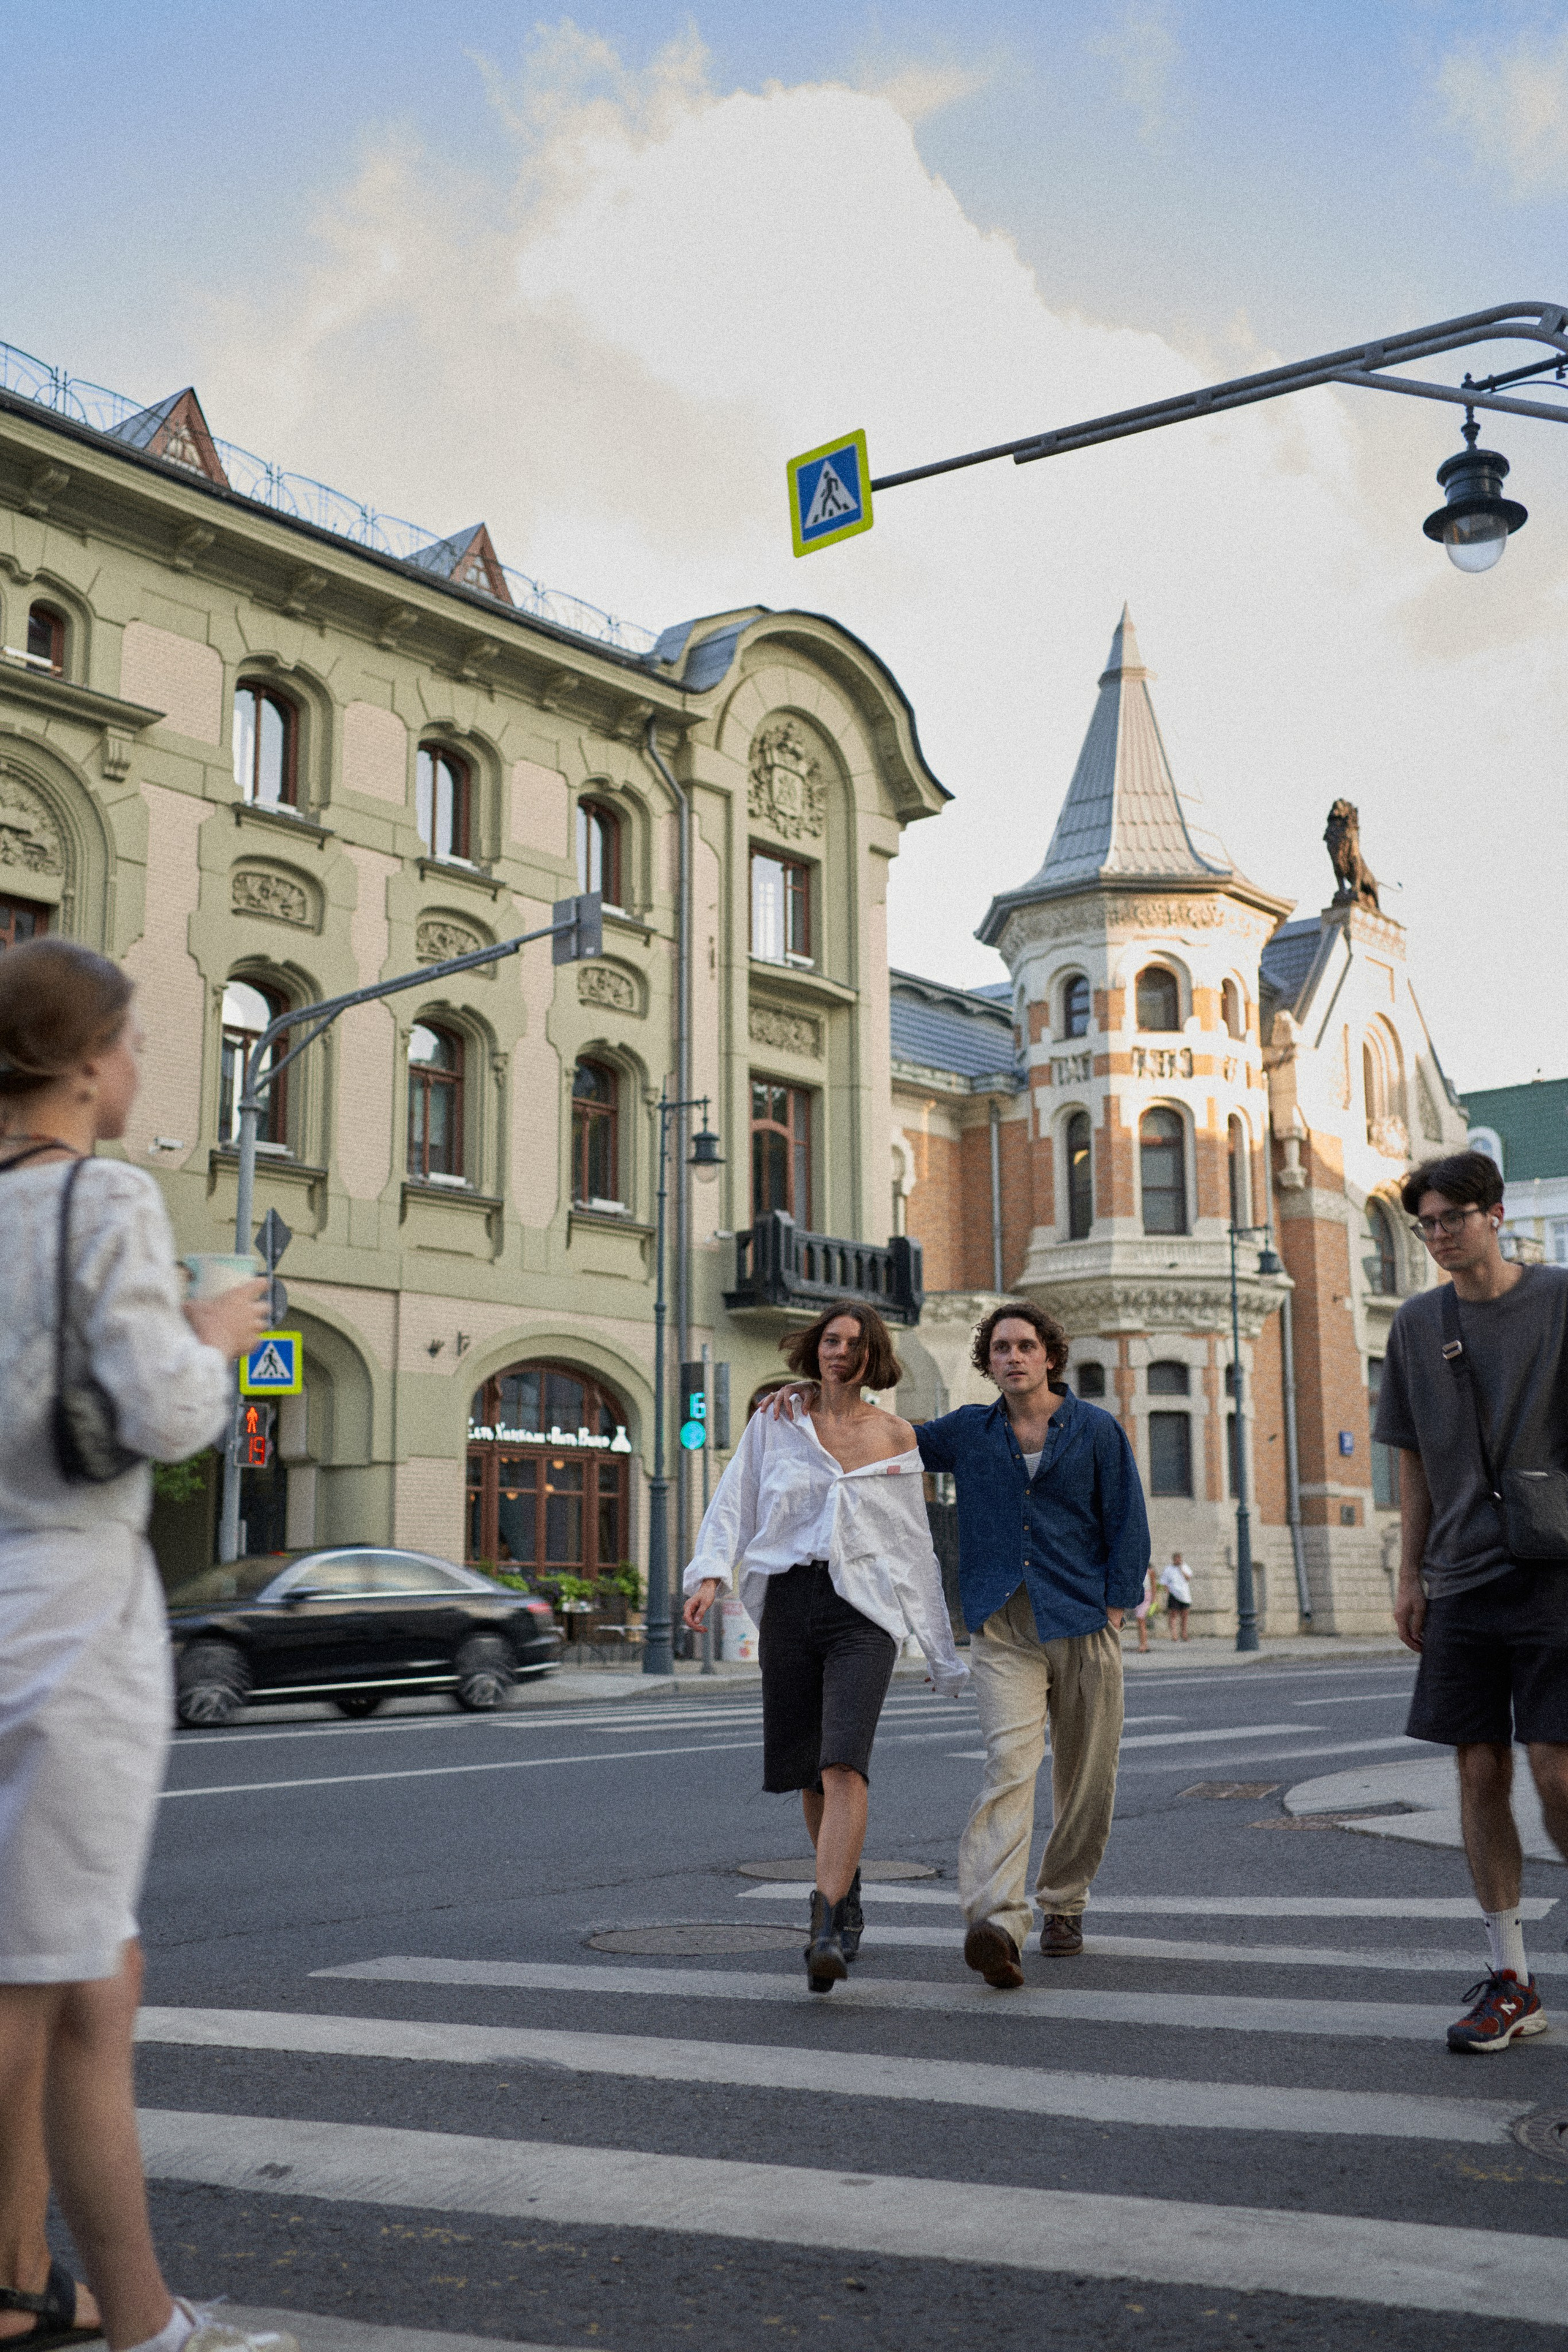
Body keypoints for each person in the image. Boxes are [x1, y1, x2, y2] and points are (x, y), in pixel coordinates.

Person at [0, 939, 288, 2352]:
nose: (138, 1066)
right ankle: (145, 2327)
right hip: (69, 1619)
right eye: (128, 1040)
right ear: (80, 1062)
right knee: (45, 1986)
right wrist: (212, 1334)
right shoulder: (105, 1195)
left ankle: (133, 2313)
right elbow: (167, 1414)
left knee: (84, 1976)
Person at [766, 1299, 1150, 1989]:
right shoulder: (969, 1432)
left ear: (1048, 1356)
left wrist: (1117, 1606)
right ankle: (997, 1922)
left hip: (1085, 1620)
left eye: (1024, 1346)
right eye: (1000, 1349)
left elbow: (1127, 1519)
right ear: (988, 1362)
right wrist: (818, 1395)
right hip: (1003, 1625)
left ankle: (1063, 1903)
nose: (1012, 1358)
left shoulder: (1094, 1430)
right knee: (1008, 1765)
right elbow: (885, 1436)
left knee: (1087, 1779)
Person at [683, 1301, 967, 1991]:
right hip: (788, 1604)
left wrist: (938, 1646)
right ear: (815, 1349)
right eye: (831, 1340)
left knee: (844, 1762)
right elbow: (735, 1499)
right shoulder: (777, 1421)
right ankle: (847, 1888)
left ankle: (824, 1922)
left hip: (861, 1613)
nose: (840, 1351)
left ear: (874, 1357)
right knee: (809, 1771)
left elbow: (911, 1545)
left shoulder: (898, 1435)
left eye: (854, 1343)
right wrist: (709, 1572)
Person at [1379, 1150, 1568, 2054]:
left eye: (1453, 1217)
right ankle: (1513, 1978)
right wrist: (1407, 1572)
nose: (1440, 1235)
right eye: (1426, 1224)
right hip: (1460, 1577)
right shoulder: (1418, 1325)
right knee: (1479, 1771)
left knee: (1558, 1773)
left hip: (1555, 1568)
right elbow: (1409, 1457)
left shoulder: (1562, 1300)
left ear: (1496, 1214)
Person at [1158, 1551, 1193, 1640]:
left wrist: (1181, 1569)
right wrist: (1167, 1591)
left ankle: (1184, 1634)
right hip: (1174, 1594)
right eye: (1176, 1559)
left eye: (1179, 1559)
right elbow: (1163, 1582)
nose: (1178, 1560)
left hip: (1185, 1595)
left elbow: (1188, 1578)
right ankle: (1174, 1634)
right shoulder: (1168, 1569)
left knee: (1184, 1615)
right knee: (1173, 1614)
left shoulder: (1185, 1567)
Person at [1133, 1563, 1157, 1653]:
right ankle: (1143, 1644)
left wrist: (1154, 1600)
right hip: (1138, 1597)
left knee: (1140, 1618)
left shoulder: (1150, 1571)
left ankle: (1144, 1644)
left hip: (1147, 1597)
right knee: (1140, 1621)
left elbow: (1154, 1585)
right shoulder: (1136, 1571)